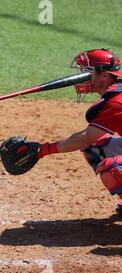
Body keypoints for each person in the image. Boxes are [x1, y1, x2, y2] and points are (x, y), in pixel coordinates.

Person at [35, 48, 122, 216]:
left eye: (87, 72)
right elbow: (89, 141)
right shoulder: (116, 92)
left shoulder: (118, 102)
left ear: (104, 76)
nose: (80, 77)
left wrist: (43, 150)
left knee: (113, 168)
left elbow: (84, 138)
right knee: (95, 148)